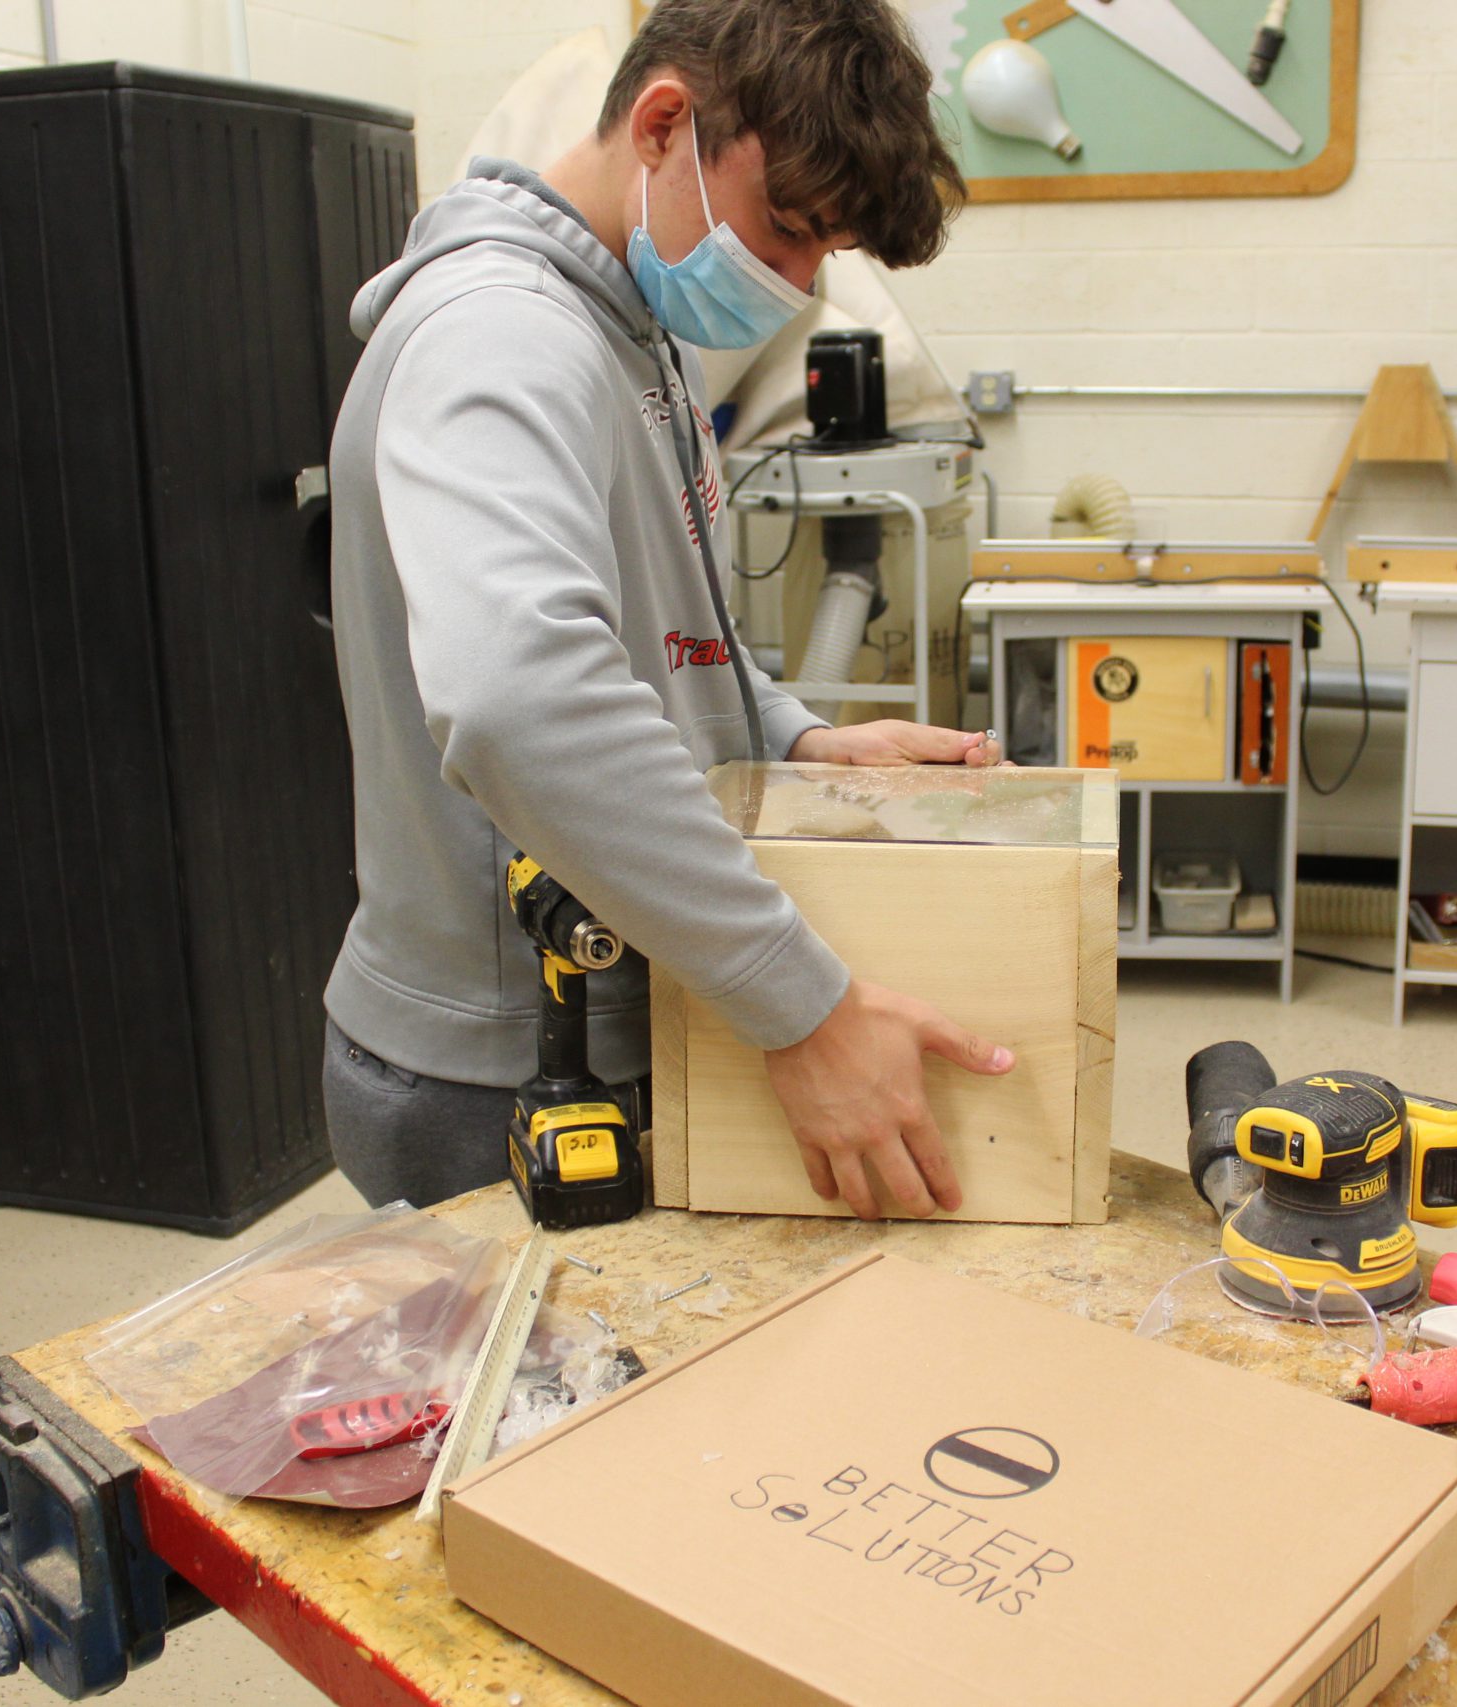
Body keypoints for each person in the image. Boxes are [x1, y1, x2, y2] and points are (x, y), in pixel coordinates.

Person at [322, 0, 1007, 1221]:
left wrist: (790, 735)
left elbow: (660, 623)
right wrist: (801, 1004)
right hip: (512, 1067)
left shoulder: (632, 331)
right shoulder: (502, 338)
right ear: (662, 122)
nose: (797, 285)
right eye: (786, 229)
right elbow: (519, 698)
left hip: (624, 1012)